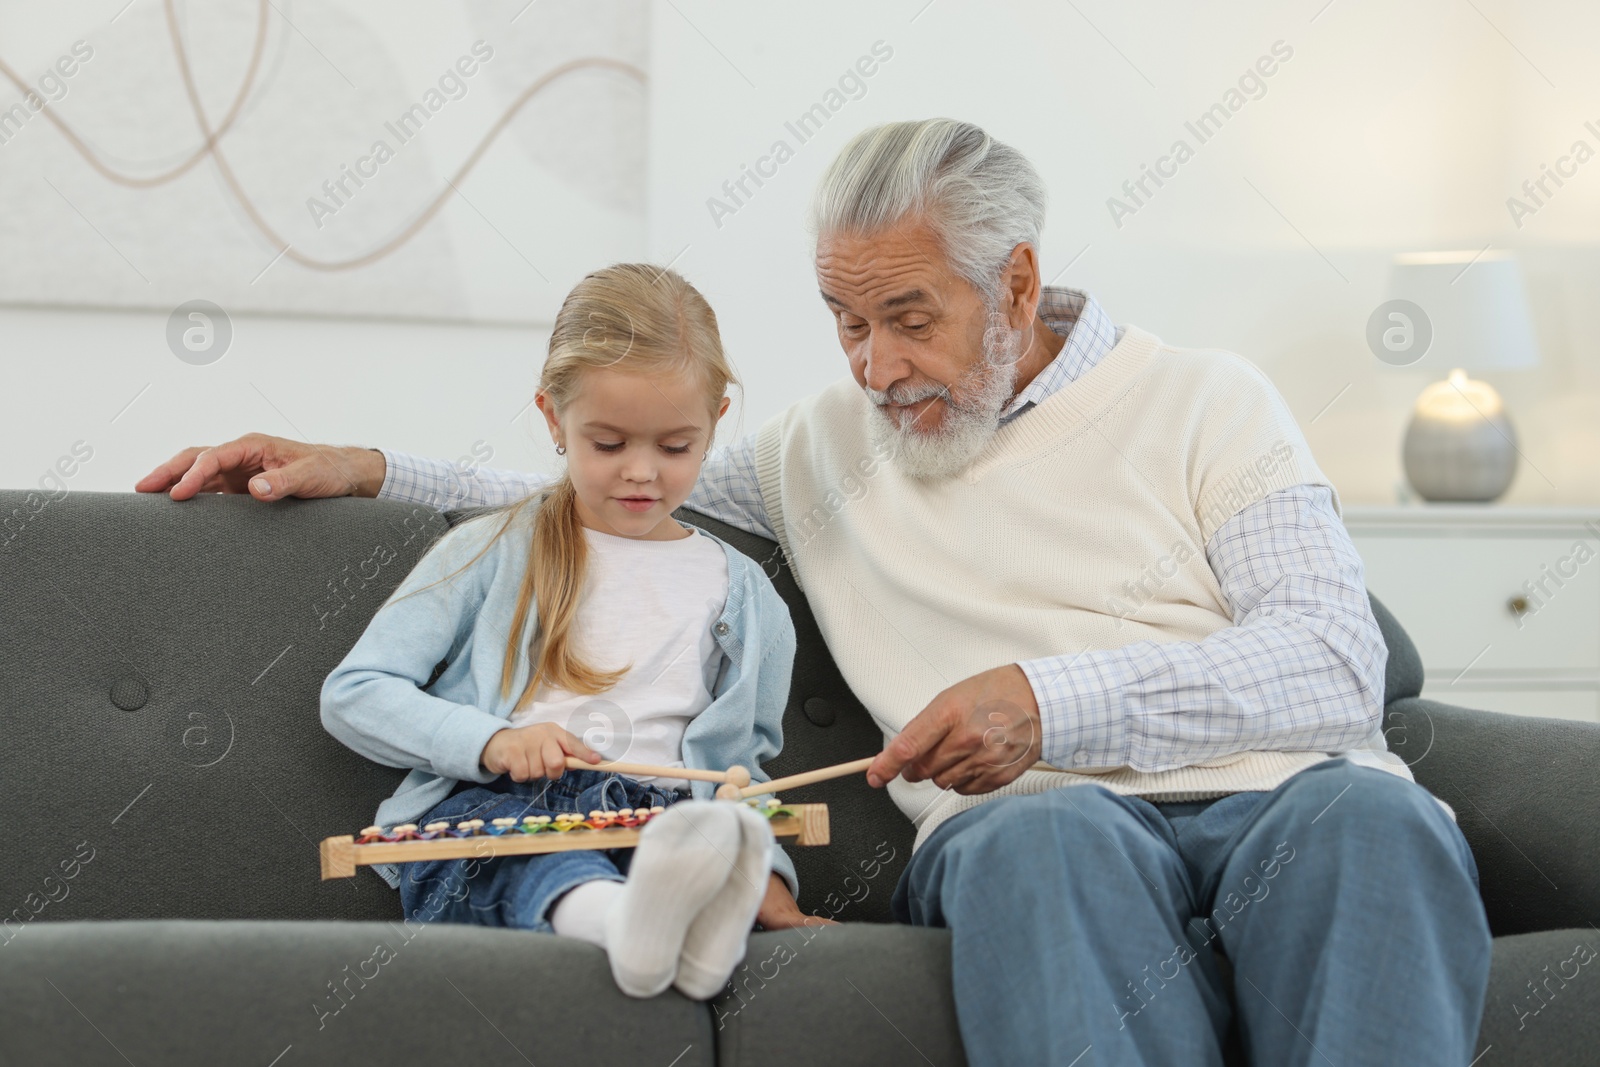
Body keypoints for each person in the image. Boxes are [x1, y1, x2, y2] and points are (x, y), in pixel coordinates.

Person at [139, 119, 1492, 1065]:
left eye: (911, 314)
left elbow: (1331, 660)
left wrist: (1049, 698)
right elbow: (607, 472)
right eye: (846, 320)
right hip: (1034, 826)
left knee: (1373, 825)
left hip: (1283, 795)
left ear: (1015, 282)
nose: (874, 363)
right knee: (1038, 838)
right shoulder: (819, 454)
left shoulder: (1210, 398)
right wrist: (361, 462)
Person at [318, 262, 815, 1001]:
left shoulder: (744, 594)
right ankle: (626, 924)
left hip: (666, 819)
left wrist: (770, 880)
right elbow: (355, 692)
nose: (641, 473)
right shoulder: (489, 549)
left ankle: (693, 918)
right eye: (608, 444)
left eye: (675, 447)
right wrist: (490, 743)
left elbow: (744, 772)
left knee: (708, 840)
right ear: (554, 418)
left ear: (717, 416)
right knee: (519, 862)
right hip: (507, 809)